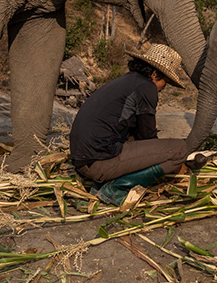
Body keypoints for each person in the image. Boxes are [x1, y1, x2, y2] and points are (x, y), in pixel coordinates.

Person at [70, 44, 193, 205]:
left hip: (83, 163)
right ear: (155, 74)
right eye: (166, 82)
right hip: (99, 165)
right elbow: (148, 136)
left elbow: (136, 133)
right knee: (179, 150)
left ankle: (101, 184)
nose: (163, 88)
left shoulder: (127, 81)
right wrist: (176, 165)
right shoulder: (146, 87)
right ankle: (116, 189)